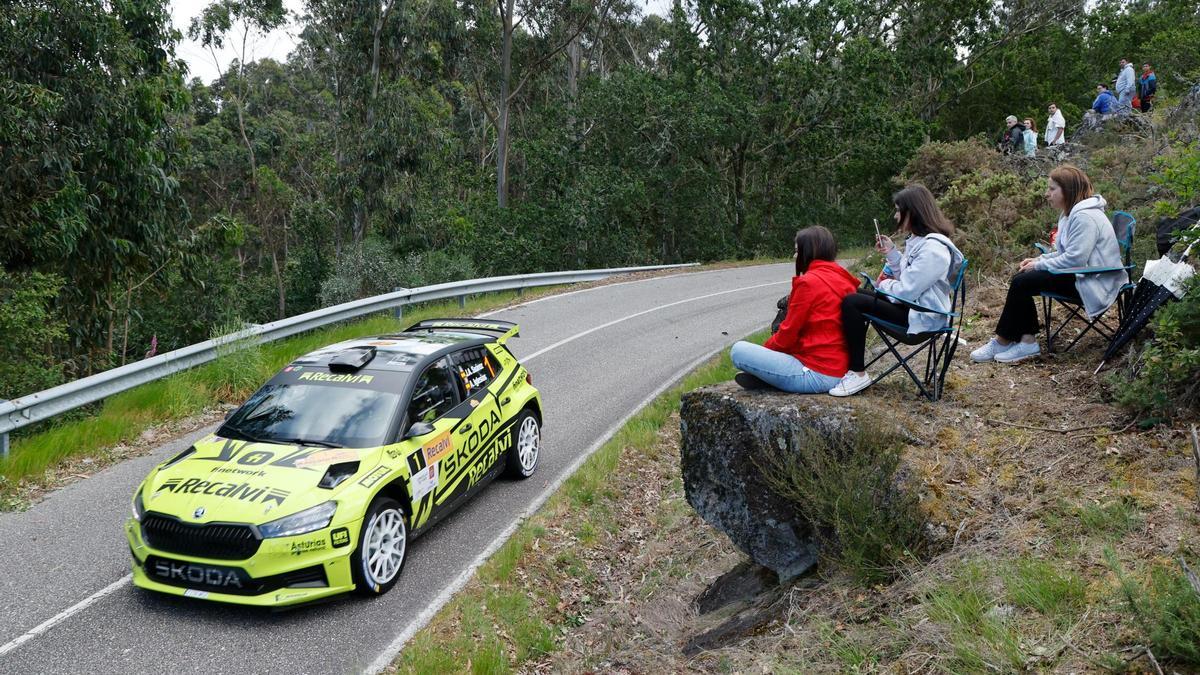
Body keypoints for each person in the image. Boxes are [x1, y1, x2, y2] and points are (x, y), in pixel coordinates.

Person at [970, 165, 1128, 364]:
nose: (1047, 194)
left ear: (1068, 190)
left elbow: (1075, 259)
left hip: (1095, 281)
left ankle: (1011, 342)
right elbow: (1067, 254)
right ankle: (1020, 341)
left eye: (1052, 189)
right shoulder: (1071, 214)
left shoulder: (1085, 217)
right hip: (1083, 274)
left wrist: (1037, 267)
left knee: (1023, 282)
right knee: (1022, 279)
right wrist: (1038, 260)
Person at [830, 185, 965, 397]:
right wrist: (892, 253)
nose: (895, 216)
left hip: (921, 318)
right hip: (913, 309)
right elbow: (908, 278)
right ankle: (844, 364)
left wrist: (882, 285)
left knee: (852, 303)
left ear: (912, 212)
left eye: (898, 211)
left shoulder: (934, 250)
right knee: (852, 294)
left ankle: (857, 372)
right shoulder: (921, 242)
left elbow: (905, 290)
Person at [731, 226, 860, 393]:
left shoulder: (809, 282)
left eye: (797, 251)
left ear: (808, 252)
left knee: (738, 351)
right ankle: (771, 377)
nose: (794, 256)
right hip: (839, 368)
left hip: (817, 373)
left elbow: (787, 335)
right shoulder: (843, 278)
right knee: (768, 355)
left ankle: (770, 377)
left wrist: (763, 352)